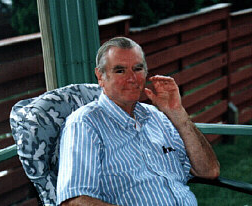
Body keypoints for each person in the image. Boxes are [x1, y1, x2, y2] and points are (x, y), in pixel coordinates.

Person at [57, 37, 220, 206]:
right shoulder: (84, 124)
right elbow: (74, 200)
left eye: (138, 68)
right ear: (100, 76)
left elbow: (209, 171)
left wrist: (178, 113)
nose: (132, 78)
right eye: (120, 71)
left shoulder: (157, 117)